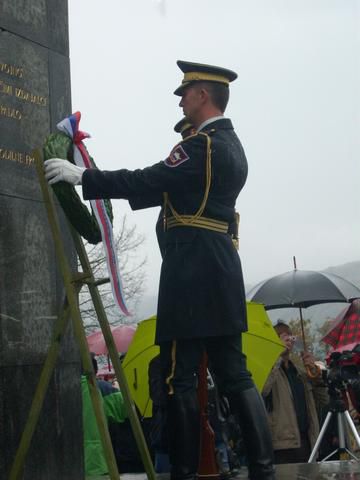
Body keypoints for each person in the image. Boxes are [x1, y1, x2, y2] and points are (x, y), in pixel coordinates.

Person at [44, 60, 275, 480]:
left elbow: (148, 179)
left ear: (203, 94)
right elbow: (159, 188)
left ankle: (184, 473)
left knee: (180, 376)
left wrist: (85, 176)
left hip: (190, 270)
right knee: (233, 370)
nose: (182, 100)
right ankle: (263, 469)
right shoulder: (232, 146)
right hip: (221, 267)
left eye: (186, 93)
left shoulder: (202, 146)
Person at [262, 321, 328, 464]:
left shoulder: (299, 371)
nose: (287, 339)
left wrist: (316, 374)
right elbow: (263, 390)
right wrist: (277, 356)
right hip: (282, 445)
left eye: (288, 335)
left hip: (307, 441)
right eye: (281, 336)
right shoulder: (268, 369)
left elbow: (323, 401)